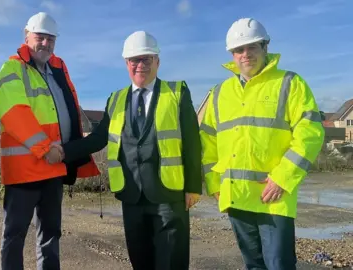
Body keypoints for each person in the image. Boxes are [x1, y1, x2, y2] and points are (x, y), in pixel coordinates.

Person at [55, 30, 203, 270]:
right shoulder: (116, 99)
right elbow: (99, 139)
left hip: (169, 194)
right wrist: (64, 151)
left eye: (146, 59)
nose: (140, 65)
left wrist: (194, 186)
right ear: (126, 63)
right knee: (140, 260)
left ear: (157, 61)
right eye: (135, 60)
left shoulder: (177, 93)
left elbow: (192, 141)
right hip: (131, 194)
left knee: (172, 261)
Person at [200, 18, 325, 270]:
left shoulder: (290, 83)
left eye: (252, 47)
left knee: (279, 265)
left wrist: (283, 178)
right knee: (253, 265)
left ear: (265, 47)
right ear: (232, 55)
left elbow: (310, 132)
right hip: (236, 196)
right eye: (238, 50)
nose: (245, 55)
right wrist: (215, 185)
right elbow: (208, 143)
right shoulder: (219, 93)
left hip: (273, 197)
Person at [0, 11, 100, 270]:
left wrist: (67, 153)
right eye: (40, 37)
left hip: (54, 169)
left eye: (51, 39)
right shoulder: (13, 67)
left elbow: (69, 110)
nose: (46, 44)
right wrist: (44, 148)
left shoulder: (58, 69)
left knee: (50, 235)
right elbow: (13, 110)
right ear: (27, 36)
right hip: (25, 171)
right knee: (14, 235)